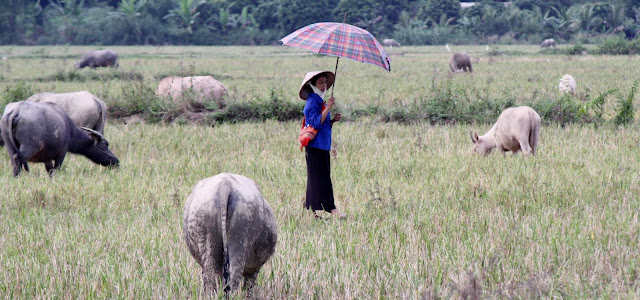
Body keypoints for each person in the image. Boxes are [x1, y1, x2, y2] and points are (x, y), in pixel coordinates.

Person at [299, 71, 346, 219]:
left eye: (325, 82)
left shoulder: (320, 100)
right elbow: (314, 123)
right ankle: (332, 209)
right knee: (321, 178)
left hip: (322, 145)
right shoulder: (313, 101)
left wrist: (333, 121)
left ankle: (312, 210)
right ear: (312, 85)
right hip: (315, 147)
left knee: (318, 177)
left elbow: (323, 125)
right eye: (320, 82)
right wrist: (328, 108)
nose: (324, 85)